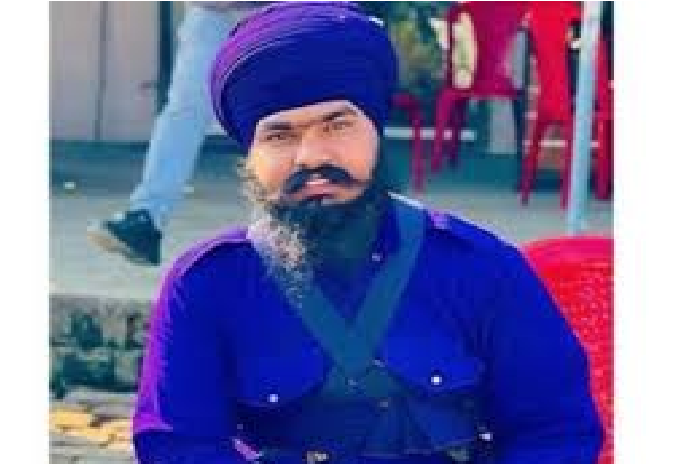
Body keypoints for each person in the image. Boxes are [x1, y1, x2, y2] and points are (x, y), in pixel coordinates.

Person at [133, 3, 603, 463]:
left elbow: (554, 433)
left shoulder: (479, 267)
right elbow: (179, 446)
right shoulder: (207, 284)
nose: (312, 157)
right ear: (250, 157)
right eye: (279, 135)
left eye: (337, 126)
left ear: (376, 131)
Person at [87, 2, 262, 266]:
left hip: (284, 14)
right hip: (213, 17)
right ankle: (145, 220)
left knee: (279, 114)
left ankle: (293, 226)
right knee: (184, 111)